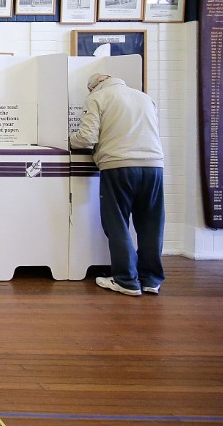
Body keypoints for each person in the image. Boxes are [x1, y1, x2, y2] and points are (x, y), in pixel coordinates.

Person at [69, 74, 165, 297]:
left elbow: (86, 138)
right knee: (151, 224)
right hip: (154, 166)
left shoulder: (98, 98)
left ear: (93, 87)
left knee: (117, 222)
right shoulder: (144, 98)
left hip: (118, 165)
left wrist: (66, 139)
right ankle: (150, 279)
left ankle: (126, 280)